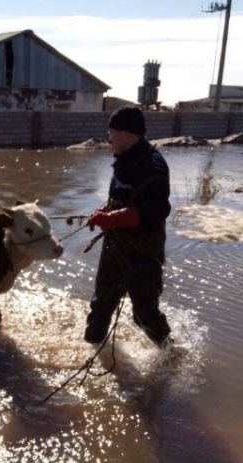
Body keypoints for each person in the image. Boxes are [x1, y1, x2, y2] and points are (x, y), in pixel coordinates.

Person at [84, 106, 172, 348]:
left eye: (111, 132)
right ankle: (92, 351)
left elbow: (149, 214)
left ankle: (170, 354)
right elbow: (120, 199)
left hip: (143, 254)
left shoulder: (153, 166)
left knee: (144, 314)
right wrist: (103, 212)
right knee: (100, 305)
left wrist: (110, 219)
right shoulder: (123, 159)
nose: (109, 137)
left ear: (127, 133)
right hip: (114, 248)